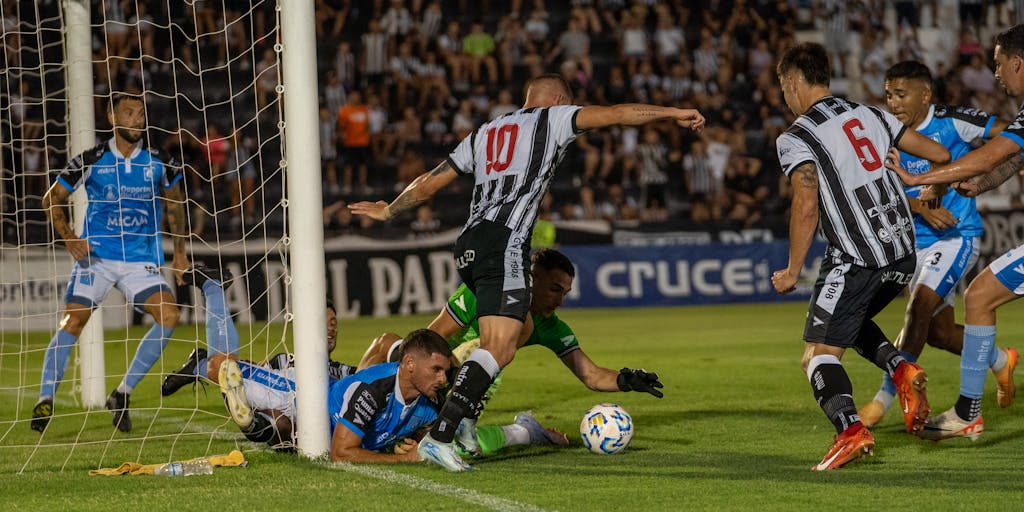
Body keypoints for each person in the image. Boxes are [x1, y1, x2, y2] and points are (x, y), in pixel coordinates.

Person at [349, 73, 704, 471]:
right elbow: (619, 113)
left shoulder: (483, 133)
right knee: (501, 346)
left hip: (468, 246)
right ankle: (442, 436)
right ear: (557, 99)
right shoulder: (551, 120)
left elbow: (429, 184)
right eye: (568, 103)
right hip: (505, 241)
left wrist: (388, 210)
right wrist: (673, 112)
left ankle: (461, 423)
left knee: (491, 341)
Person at [770, 43, 950, 471]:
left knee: (817, 356)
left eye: (782, 86)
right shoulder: (872, 114)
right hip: (902, 254)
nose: (784, 95)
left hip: (856, 256)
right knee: (847, 324)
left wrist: (794, 268)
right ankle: (901, 369)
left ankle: (851, 432)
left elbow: (806, 202)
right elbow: (941, 155)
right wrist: (925, 184)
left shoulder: (796, 136)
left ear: (794, 81)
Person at [358, 248, 663, 456]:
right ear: (533, 278)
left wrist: (626, 379)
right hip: (435, 373)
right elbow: (432, 336)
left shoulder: (549, 326)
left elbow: (592, 375)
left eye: (565, 293)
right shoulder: (482, 292)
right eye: (555, 289)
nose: (560, 300)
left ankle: (524, 432)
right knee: (386, 343)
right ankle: (363, 421)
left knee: (460, 448)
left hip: (462, 389)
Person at [858, 61, 1019, 428]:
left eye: (901, 94)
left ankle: (883, 401)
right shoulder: (886, 132)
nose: (893, 103)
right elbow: (879, 189)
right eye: (888, 95)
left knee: (917, 309)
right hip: (913, 243)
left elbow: (1008, 135)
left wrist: (993, 170)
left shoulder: (952, 120)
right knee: (939, 334)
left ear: (925, 94)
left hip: (955, 237)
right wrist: (917, 205)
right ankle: (999, 360)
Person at [31, 93, 190, 434]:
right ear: (112, 118)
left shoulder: (161, 161)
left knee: (170, 314)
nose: (137, 118)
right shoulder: (91, 159)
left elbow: (176, 206)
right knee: (73, 321)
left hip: (140, 260)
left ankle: (122, 393)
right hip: (97, 257)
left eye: (141, 113)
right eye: (129, 113)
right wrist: (70, 236)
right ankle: (45, 398)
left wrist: (179, 252)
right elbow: (51, 199)